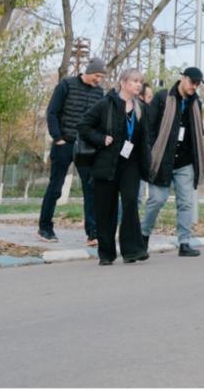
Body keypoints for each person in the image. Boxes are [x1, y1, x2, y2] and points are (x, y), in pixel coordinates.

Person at [78, 67, 151, 265]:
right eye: (134, 81)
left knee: (130, 203)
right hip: (106, 164)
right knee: (106, 209)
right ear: (123, 82)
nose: (138, 85)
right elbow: (83, 126)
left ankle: (132, 251)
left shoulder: (141, 108)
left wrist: (147, 166)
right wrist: (101, 139)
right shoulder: (105, 104)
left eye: (140, 81)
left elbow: (144, 140)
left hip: (130, 165)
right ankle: (106, 254)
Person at [37, 57, 106, 244]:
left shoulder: (99, 93)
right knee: (55, 187)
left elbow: (99, 120)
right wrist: (57, 138)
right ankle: (45, 228)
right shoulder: (66, 85)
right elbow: (52, 112)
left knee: (90, 188)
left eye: (101, 77)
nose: (99, 80)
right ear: (89, 71)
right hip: (64, 143)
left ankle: (93, 233)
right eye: (97, 76)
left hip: (86, 146)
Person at [141, 67, 204, 257]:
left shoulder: (196, 103)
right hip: (162, 159)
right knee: (157, 199)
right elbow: (149, 127)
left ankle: (184, 242)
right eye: (192, 82)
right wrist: (149, 153)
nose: (194, 87)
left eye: (198, 84)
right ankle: (143, 235)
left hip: (185, 161)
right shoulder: (163, 98)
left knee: (186, 203)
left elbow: (197, 135)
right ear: (183, 79)